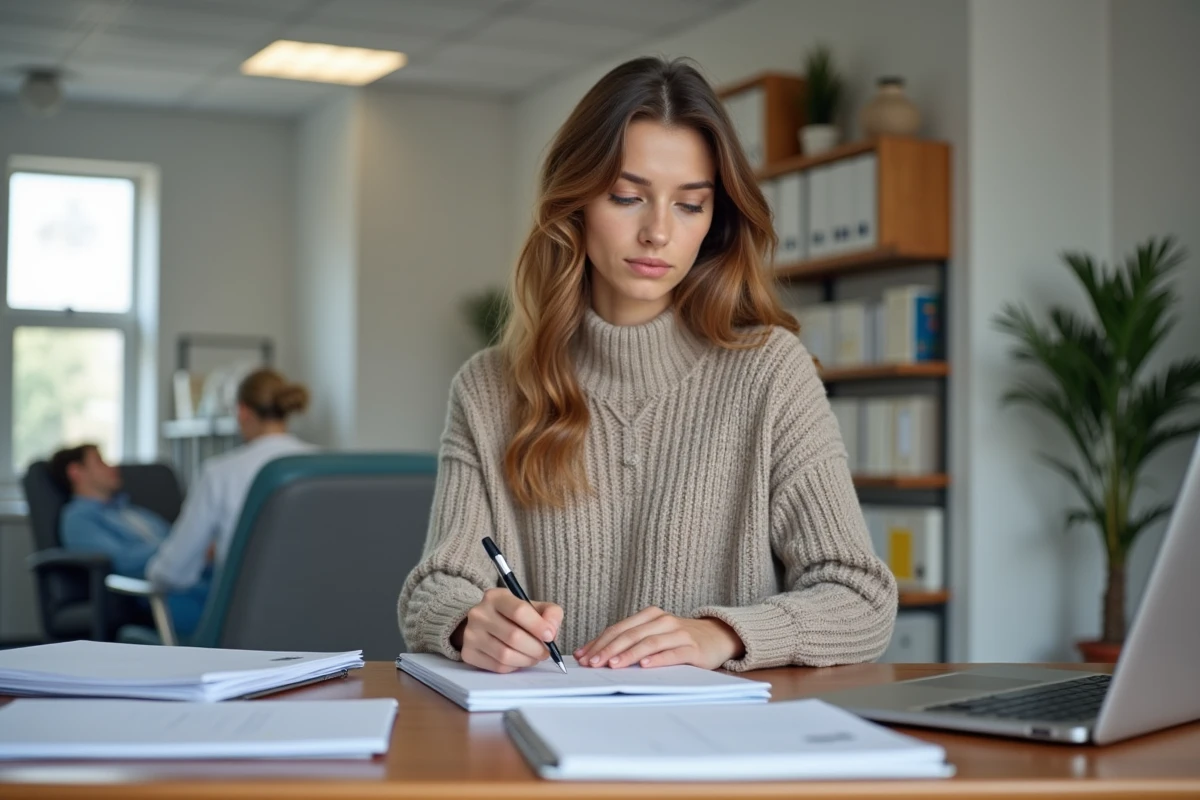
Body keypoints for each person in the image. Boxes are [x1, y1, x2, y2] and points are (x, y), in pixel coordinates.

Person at [398, 56, 897, 675]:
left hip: (713, 750)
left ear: (716, 221)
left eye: (690, 205)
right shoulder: (490, 386)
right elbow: (434, 587)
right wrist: (468, 622)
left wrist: (720, 635)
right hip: (541, 741)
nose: (658, 232)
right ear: (575, 202)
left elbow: (862, 599)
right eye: (627, 197)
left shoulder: (770, 373)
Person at [146, 368, 316, 593]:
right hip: (315, 613)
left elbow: (173, 571)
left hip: (242, 617)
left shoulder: (220, 472)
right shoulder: (326, 467)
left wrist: (153, 574)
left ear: (242, 412)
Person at [51, 444, 208, 636]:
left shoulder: (131, 512)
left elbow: (178, 537)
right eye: (99, 461)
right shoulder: (78, 517)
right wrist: (180, 549)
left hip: (190, 574)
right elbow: (120, 560)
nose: (112, 467)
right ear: (75, 472)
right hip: (154, 588)